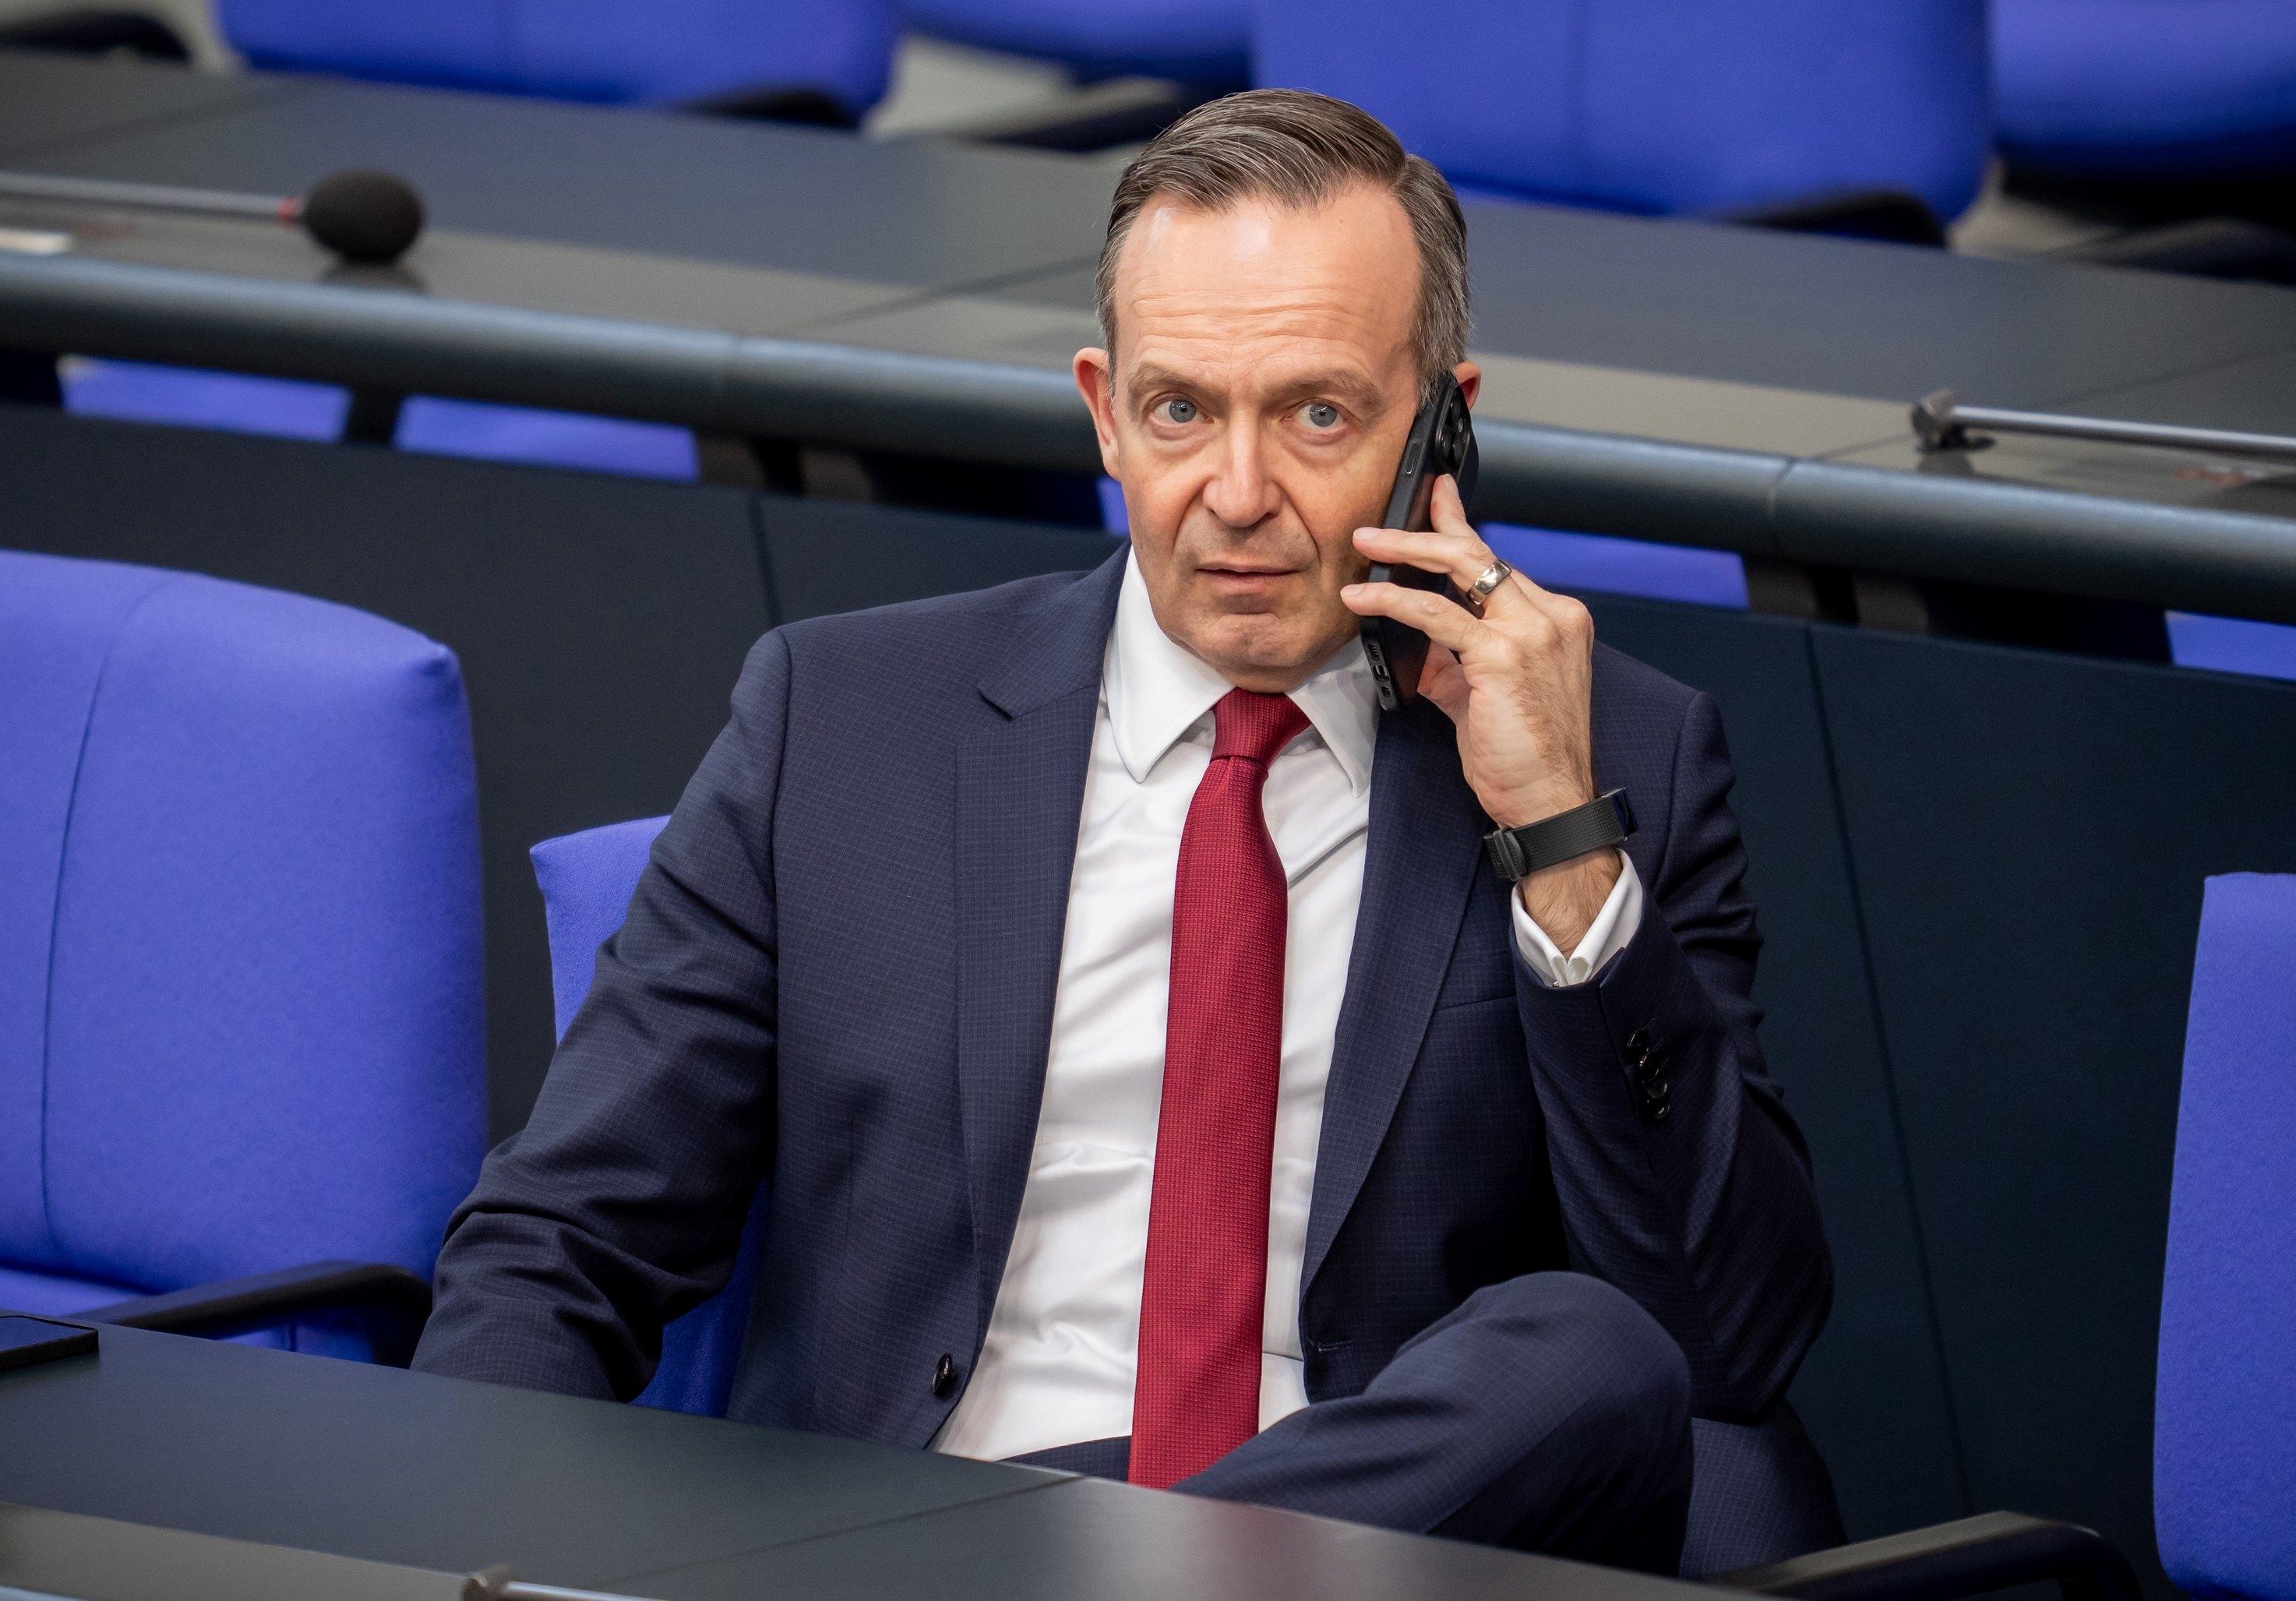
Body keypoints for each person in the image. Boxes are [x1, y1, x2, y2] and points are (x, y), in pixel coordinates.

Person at [412, 89, 1831, 1572]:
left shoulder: (1615, 757)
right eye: (1180, 412)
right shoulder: (845, 718)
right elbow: (561, 1239)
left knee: (1590, 1352)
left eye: (1318, 414)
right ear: (1103, 410)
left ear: (1443, 423)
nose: (1238, 495)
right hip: (908, 1537)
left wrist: (1559, 838)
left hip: (1354, 1556)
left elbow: (1720, 1343)